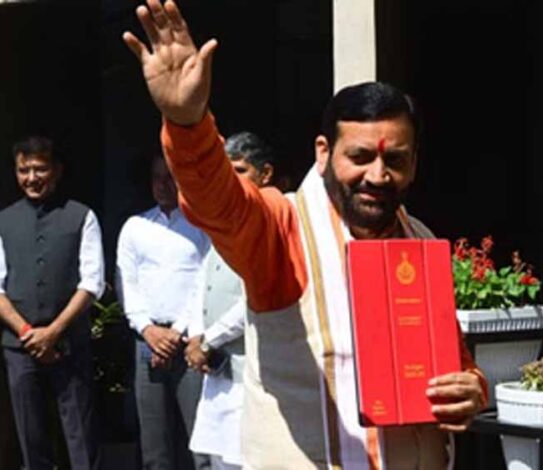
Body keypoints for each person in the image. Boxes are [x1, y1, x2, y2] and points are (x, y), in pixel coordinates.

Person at [123, 2, 486, 468]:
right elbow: (220, 204)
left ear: (413, 163)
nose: (378, 175)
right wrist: (188, 124)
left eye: (394, 160)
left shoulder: (418, 240)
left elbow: (450, 360)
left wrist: (471, 387)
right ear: (323, 152)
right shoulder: (283, 226)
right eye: (360, 157)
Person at [0, 136, 104, 470]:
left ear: (56, 170)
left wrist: (54, 331)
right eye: (23, 170)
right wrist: (27, 332)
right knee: (31, 440)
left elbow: (92, 282)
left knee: (81, 439)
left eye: (40, 169)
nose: (31, 178)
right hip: (20, 348)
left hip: (70, 345)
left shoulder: (81, 216)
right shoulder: (4, 221)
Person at [184, 131, 277, 470]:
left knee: (245, 458)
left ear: (265, 174)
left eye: (240, 171)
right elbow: (203, 283)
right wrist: (196, 334)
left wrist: (209, 340)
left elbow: (255, 296)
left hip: (249, 368)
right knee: (217, 458)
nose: (231, 181)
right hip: (217, 367)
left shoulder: (272, 221)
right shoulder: (224, 219)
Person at [116, 155, 211, 470]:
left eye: (170, 177)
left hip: (191, 341)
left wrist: (177, 332)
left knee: (201, 444)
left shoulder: (202, 225)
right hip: (147, 341)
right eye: (157, 178)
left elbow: (205, 282)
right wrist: (147, 329)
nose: (163, 185)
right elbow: (127, 283)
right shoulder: (135, 226)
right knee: (154, 446)